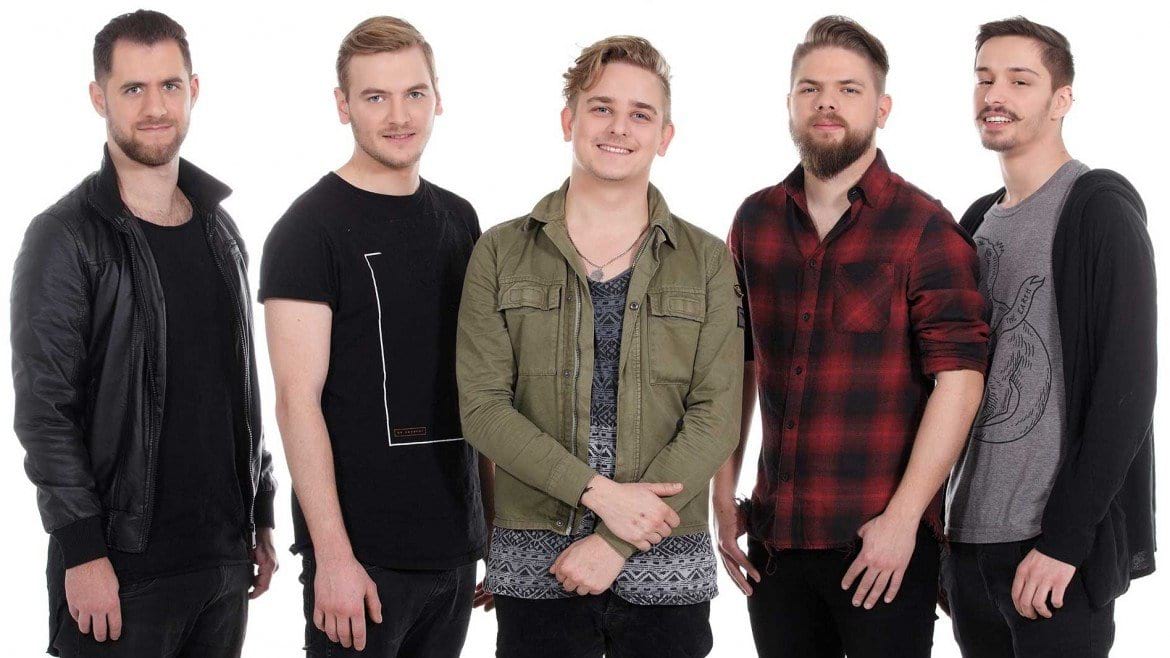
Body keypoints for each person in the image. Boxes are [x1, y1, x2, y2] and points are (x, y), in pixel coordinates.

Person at [456, 35, 744, 658]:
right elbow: (482, 409)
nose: (619, 127)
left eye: (641, 113)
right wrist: (599, 494)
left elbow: (716, 418)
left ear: (665, 135)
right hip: (538, 564)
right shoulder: (499, 252)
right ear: (569, 121)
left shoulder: (707, 261)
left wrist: (615, 540)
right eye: (601, 108)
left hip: (668, 565)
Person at [714, 15, 990, 658]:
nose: (827, 103)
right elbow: (736, 366)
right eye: (810, 88)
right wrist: (721, 495)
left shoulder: (925, 228)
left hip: (881, 545)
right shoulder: (755, 221)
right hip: (776, 545)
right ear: (790, 103)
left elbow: (960, 382)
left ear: (882, 108)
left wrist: (903, 520)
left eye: (848, 89)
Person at [11, 10, 278, 657]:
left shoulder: (221, 230)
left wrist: (261, 511)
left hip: (221, 563)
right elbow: (45, 411)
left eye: (169, 85)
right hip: (122, 571)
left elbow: (239, 386)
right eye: (133, 88)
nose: (155, 107)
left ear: (194, 89)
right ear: (98, 96)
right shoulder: (66, 236)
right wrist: (83, 551)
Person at [260, 16, 491, 658]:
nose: (399, 116)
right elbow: (296, 401)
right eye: (375, 97)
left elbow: (482, 385)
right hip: (360, 561)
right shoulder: (307, 230)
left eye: (414, 93)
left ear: (438, 98)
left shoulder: (460, 218)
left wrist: (494, 531)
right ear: (343, 105)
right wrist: (333, 556)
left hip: (454, 549)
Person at [942, 17, 1156, 658]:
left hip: (1051, 550)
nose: (994, 95)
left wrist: (1065, 542)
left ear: (1061, 99)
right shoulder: (975, 223)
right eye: (984, 78)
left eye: (1019, 80)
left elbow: (1127, 390)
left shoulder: (1098, 210)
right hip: (966, 541)